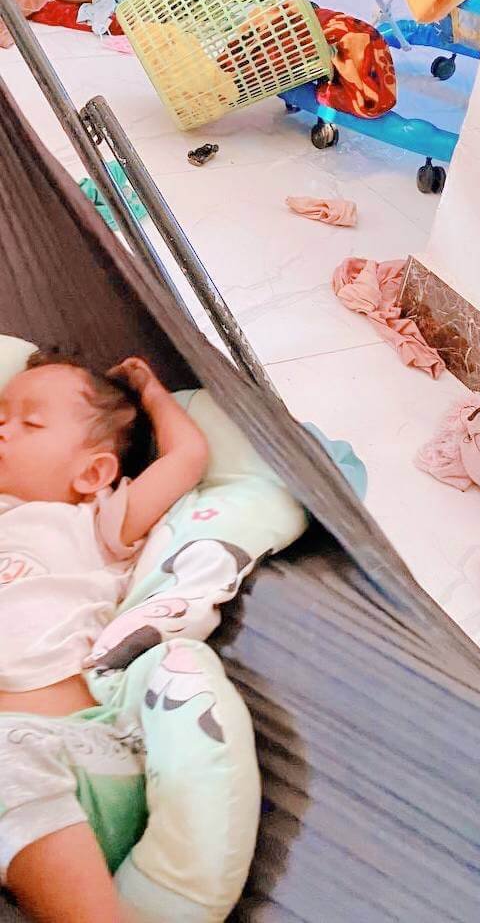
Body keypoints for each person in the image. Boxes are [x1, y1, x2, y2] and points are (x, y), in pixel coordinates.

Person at [0, 350, 208, 923]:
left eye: (30, 422)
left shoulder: (94, 523)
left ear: (92, 473)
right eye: (0, 415)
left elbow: (188, 456)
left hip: (65, 752)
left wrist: (154, 396)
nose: (3, 428)